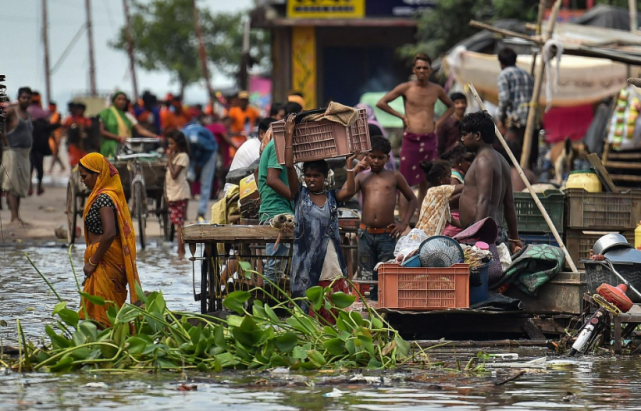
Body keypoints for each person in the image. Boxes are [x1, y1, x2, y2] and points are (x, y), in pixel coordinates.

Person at [283, 115, 358, 317]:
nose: (311, 179)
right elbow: (289, 166)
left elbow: (350, 190)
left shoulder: (332, 196)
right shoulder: (299, 195)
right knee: (307, 302)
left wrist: (349, 165)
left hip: (329, 258)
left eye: (316, 176)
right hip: (305, 259)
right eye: (308, 175)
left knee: (330, 300)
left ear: (325, 177)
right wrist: (289, 134)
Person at [377, 53, 455, 218]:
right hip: (411, 138)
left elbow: (451, 107)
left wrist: (438, 123)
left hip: (429, 139)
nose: (421, 71)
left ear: (430, 70)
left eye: (425, 68)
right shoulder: (406, 88)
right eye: (418, 67)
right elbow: (381, 103)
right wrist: (402, 117)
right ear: (414, 69)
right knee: (405, 181)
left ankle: (423, 218)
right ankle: (404, 220)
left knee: (427, 181)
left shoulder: (436, 90)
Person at [78, 153, 141, 327]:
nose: (82, 181)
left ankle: (110, 342)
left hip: (105, 258)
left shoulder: (105, 198)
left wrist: (93, 261)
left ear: (98, 174)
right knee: (99, 310)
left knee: (105, 311)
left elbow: (109, 233)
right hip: (102, 257)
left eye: (84, 176)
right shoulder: (99, 196)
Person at [353, 136, 417, 300]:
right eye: (372, 156)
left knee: (385, 272)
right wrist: (353, 170)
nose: (375, 161)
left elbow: (412, 199)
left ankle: (384, 308)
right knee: (366, 274)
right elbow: (344, 193)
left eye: (380, 157)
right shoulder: (361, 177)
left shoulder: (394, 177)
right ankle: (368, 306)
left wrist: (403, 223)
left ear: (387, 158)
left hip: (386, 235)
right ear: (366, 156)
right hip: (365, 234)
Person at [459, 111, 521, 252]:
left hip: (482, 238)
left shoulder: (483, 160)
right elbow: (509, 204)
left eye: (465, 134)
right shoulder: (501, 160)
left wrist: (477, 242)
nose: (462, 139)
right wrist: (514, 238)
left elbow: (484, 200)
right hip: (494, 234)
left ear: (478, 135)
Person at [258, 128, 295, 283]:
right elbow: (272, 180)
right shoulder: (278, 145)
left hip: (283, 208)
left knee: (278, 268)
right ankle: (270, 304)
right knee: (274, 269)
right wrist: (297, 198)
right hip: (276, 211)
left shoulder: (287, 147)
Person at [497, 47, 536, 168]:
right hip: (531, 119)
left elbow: (504, 99)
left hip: (516, 120)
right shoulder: (527, 75)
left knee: (511, 156)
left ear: (501, 63)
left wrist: (501, 118)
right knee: (528, 157)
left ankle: (514, 183)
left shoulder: (504, 74)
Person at [1, 87, 33, 223]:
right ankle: (14, 217)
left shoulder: (28, 115)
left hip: (25, 154)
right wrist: (3, 138)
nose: (25, 100)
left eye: (28, 98)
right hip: (12, 152)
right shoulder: (11, 111)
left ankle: (17, 216)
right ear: (19, 98)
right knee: (11, 185)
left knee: (20, 186)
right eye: (23, 97)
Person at [99, 91, 158, 158]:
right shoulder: (106, 113)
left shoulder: (127, 115)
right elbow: (102, 131)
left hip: (126, 148)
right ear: (114, 100)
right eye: (119, 99)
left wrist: (155, 136)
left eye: (124, 99)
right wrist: (118, 138)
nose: (122, 102)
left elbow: (140, 130)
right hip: (111, 148)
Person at [415, 160, 464, 237]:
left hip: (427, 238)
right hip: (425, 238)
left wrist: (471, 226)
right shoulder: (438, 191)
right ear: (440, 179)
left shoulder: (442, 202)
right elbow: (465, 186)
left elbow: (454, 221)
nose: (451, 179)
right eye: (449, 177)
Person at [183, 121, 218, 221]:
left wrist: (200, 164)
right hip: (193, 153)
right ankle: (183, 211)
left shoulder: (195, 139)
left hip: (209, 152)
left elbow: (209, 149)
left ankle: (201, 212)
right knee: (187, 179)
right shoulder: (183, 135)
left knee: (205, 182)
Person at [165, 130, 191, 258]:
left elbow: (174, 174)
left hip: (180, 193)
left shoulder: (183, 157)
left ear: (178, 144)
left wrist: (169, 159)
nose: (169, 147)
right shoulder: (176, 156)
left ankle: (181, 251)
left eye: (171, 144)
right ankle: (180, 250)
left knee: (179, 224)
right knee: (177, 224)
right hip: (173, 193)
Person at [442, 144, 475, 237]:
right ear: (460, 161)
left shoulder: (463, 175)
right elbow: (449, 199)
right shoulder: (454, 175)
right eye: (470, 162)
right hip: (454, 220)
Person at [29, 103, 59, 196]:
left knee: (30, 168)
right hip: (40, 149)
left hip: (31, 148)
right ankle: (39, 186)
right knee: (39, 168)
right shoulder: (45, 124)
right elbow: (54, 127)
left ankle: (30, 187)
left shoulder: (30, 124)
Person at [227, 91, 260, 157]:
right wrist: (233, 133)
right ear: (239, 101)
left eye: (245, 100)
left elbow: (259, 121)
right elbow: (228, 125)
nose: (243, 102)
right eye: (242, 100)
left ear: (248, 101)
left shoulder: (253, 111)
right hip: (237, 139)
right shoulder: (234, 111)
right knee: (235, 156)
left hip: (248, 138)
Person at [436, 92, 467, 158]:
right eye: (457, 103)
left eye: (463, 102)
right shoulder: (445, 124)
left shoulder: (469, 124)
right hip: (449, 161)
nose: (460, 105)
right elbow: (439, 148)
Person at [63, 103, 92, 167]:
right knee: (73, 163)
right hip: (73, 144)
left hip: (83, 145)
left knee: (84, 163)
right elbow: (64, 128)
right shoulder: (70, 119)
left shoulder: (86, 120)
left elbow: (89, 128)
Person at [48, 101, 65, 173]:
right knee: (54, 152)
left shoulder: (58, 115)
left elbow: (60, 126)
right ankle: (62, 166)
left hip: (57, 136)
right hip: (50, 136)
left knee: (55, 152)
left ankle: (51, 169)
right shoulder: (49, 115)